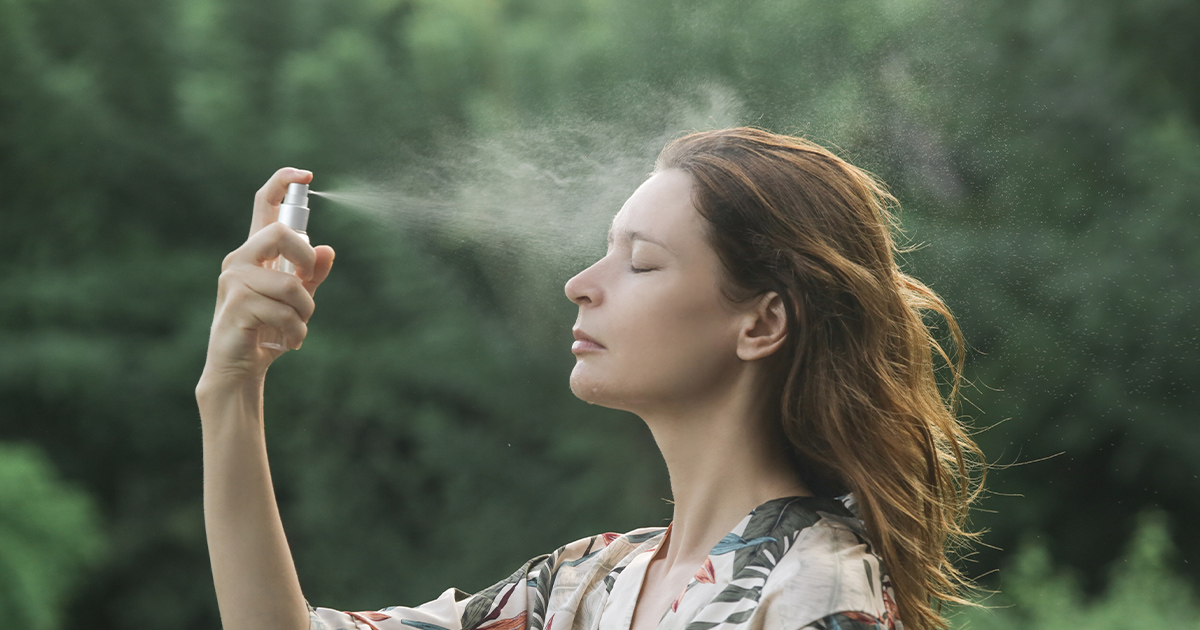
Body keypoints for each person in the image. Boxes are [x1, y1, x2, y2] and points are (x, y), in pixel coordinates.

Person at [196, 127, 984, 630]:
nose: (581, 282)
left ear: (761, 323)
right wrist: (230, 390)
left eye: (640, 262)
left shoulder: (815, 596)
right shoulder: (586, 585)